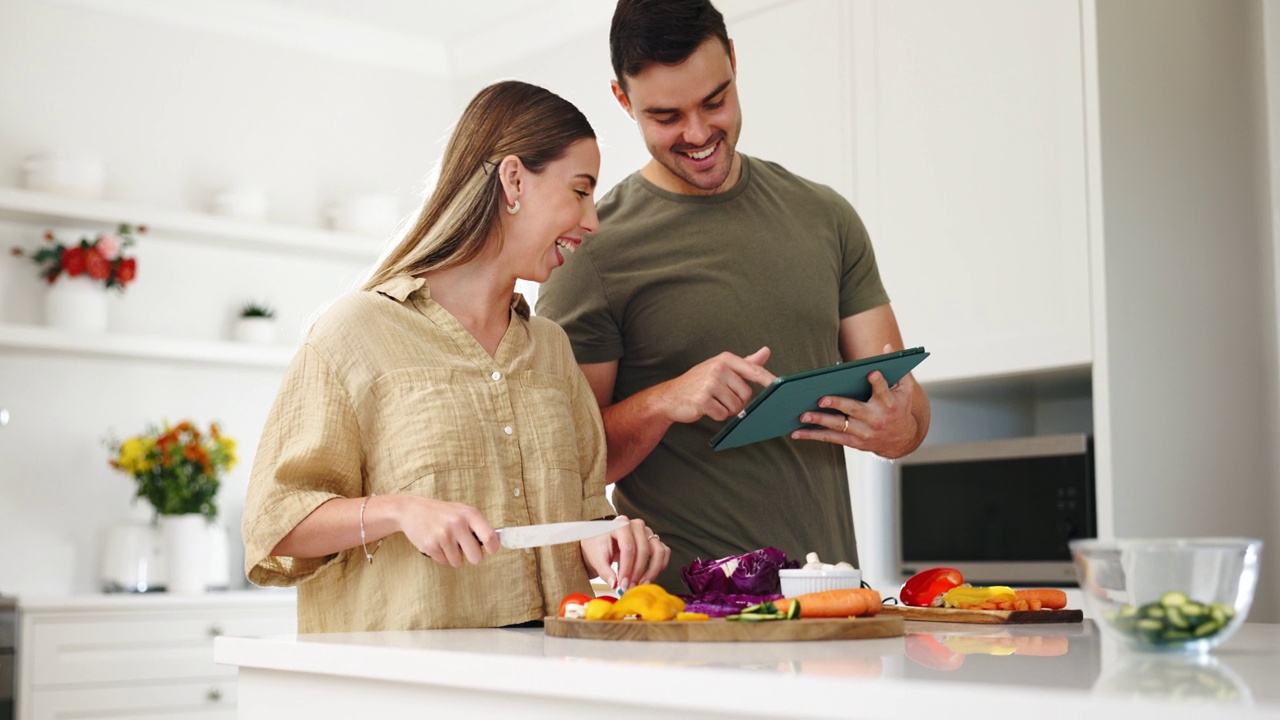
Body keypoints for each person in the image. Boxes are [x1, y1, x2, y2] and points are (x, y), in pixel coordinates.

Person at [242, 80, 670, 632]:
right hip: (414, 687)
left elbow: (585, 513)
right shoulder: (355, 332)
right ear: (514, 180)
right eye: (580, 191)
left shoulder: (551, 351)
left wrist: (606, 539)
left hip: (552, 673)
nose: (592, 221)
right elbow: (274, 522)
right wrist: (399, 510)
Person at [536, 0, 930, 591]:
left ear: (734, 64)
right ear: (623, 101)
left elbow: (909, 407)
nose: (697, 134)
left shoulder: (825, 217)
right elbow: (572, 470)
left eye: (714, 101)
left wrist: (900, 427)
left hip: (830, 601)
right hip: (681, 617)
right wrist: (667, 399)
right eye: (666, 116)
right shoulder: (590, 249)